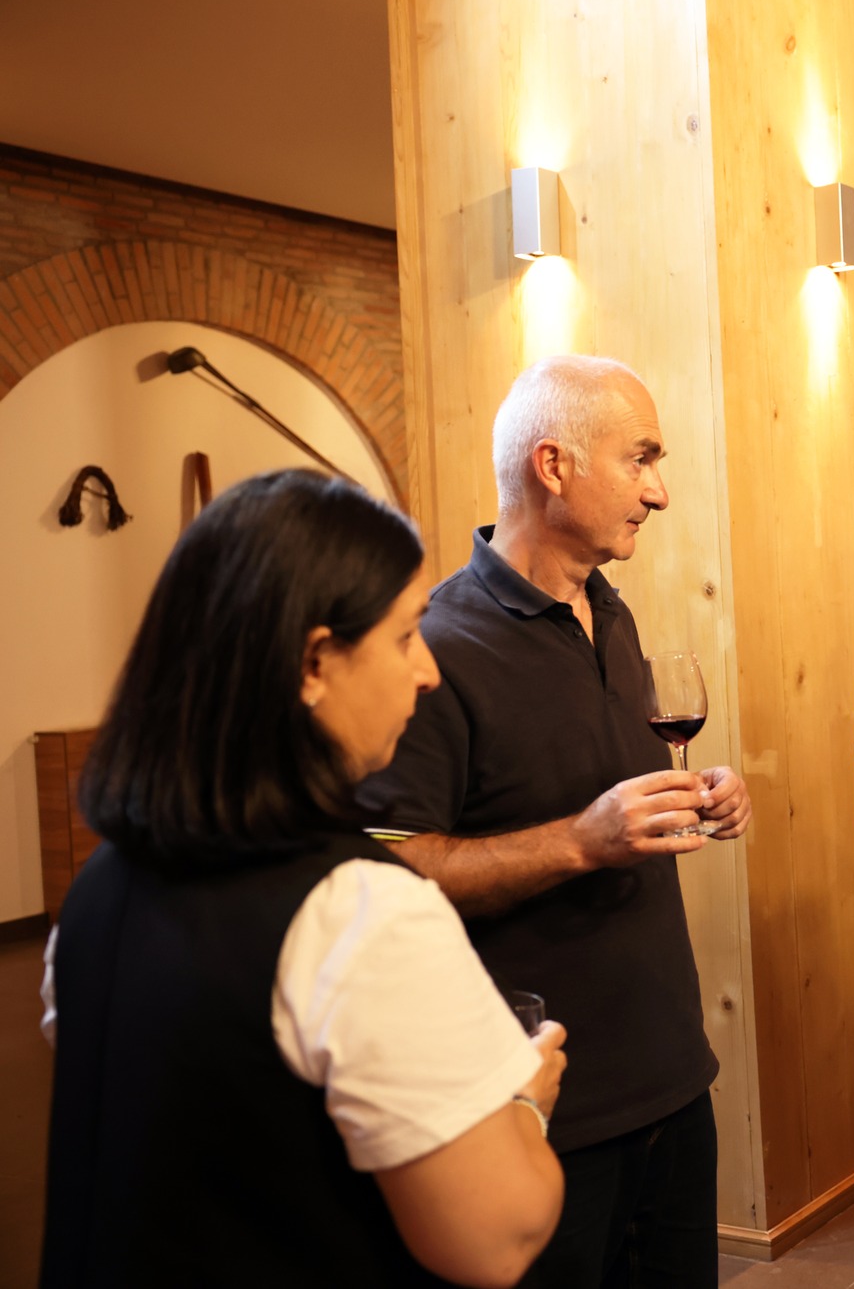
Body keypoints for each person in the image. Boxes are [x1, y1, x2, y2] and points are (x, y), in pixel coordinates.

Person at [42, 470, 566, 1289]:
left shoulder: (98, 888)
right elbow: (496, 1239)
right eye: (406, 635)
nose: (427, 671)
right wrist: (522, 1106)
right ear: (316, 661)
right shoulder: (360, 910)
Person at [358, 356, 752, 1288]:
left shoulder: (611, 612)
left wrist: (697, 792)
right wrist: (580, 840)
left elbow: (601, 784)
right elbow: (390, 866)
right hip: (542, 1108)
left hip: (672, 1081)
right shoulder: (437, 646)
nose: (658, 491)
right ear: (553, 464)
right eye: (641, 459)